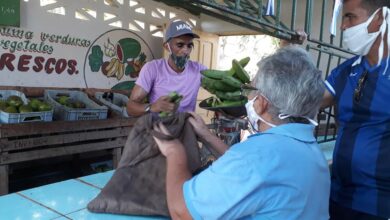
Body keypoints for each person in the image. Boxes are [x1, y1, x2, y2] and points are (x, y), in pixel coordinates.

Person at [152, 46, 330, 219]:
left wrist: (175, 154)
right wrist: (206, 135)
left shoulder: (254, 158)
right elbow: (254, 170)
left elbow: (181, 212)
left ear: (262, 103)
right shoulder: (313, 154)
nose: (248, 98)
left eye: (251, 90)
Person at [322, 1, 390, 219]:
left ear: (379, 18)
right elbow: (305, 103)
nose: (343, 26)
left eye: (350, 17)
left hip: (378, 205)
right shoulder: (344, 72)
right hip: (337, 196)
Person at [126, 20, 206, 116]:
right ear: (167, 47)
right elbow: (130, 108)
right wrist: (153, 107)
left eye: (189, 46)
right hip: (159, 128)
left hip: (186, 126)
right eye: (180, 45)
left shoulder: (199, 70)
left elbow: (220, 87)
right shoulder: (152, 68)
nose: (186, 51)